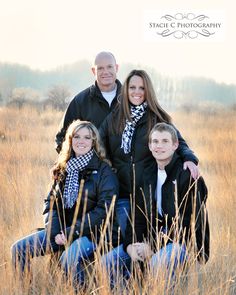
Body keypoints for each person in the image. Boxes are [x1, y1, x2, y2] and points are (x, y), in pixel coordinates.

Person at [11, 120, 119, 287]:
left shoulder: (105, 172)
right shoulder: (63, 168)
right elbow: (50, 202)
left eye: (86, 137)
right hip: (61, 231)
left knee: (69, 259)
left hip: (92, 234)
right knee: (18, 250)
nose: (81, 141)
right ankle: (26, 290)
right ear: (70, 140)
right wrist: (55, 231)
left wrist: (71, 231)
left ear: (94, 142)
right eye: (76, 137)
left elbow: (104, 210)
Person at [103, 123, 210, 288]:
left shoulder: (187, 176)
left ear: (175, 145)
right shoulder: (146, 174)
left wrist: (152, 247)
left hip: (183, 244)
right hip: (152, 240)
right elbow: (137, 216)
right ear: (150, 146)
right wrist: (131, 244)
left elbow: (189, 225)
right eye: (155, 141)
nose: (159, 146)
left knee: (156, 264)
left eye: (165, 141)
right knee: (107, 262)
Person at [99, 69, 199, 239]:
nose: (136, 92)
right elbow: (97, 144)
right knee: (125, 242)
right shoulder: (114, 118)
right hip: (122, 193)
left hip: (146, 194)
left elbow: (178, 142)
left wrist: (189, 159)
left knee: (145, 242)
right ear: (126, 90)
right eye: (132, 87)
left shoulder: (156, 118)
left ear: (148, 91)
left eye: (142, 88)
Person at [55, 51, 121, 153]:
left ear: (116, 68)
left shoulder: (130, 98)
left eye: (109, 67)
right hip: (92, 168)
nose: (105, 72)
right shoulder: (80, 101)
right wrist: (79, 164)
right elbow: (61, 138)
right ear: (93, 71)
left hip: (125, 168)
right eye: (100, 68)